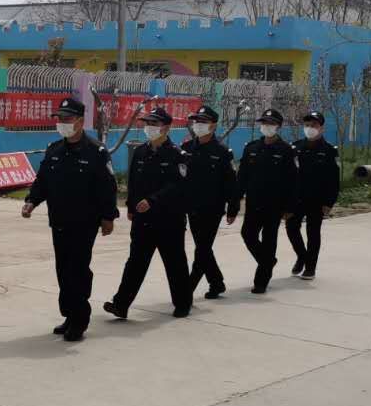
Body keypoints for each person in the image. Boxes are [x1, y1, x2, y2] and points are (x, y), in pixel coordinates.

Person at [22, 97, 119, 341]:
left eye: (67, 118)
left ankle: (79, 320)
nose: (62, 122)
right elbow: (43, 180)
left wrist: (108, 217)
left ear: (80, 121)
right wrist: (32, 201)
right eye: (60, 118)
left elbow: (107, 187)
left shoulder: (96, 151)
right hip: (59, 220)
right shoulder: (54, 149)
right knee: (63, 270)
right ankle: (69, 314)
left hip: (85, 223)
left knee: (78, 270)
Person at [103, 107, 192, 321]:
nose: (149, 127)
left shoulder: (177, 155)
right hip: (143, 220)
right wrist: (131, 206)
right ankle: (121, 304)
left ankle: (182, 303)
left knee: (175, 263)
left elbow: (178, 186)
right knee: (135, 262)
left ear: (166, 128)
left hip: (169, 220)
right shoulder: (141, 152)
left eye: (154, 124)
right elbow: (134, 182)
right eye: (148, 123)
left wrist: (153, 200)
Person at [229, 108, 297, 294]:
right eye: (264, 123)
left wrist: (290, 207)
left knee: (269, 241)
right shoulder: (251, 148)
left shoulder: (286, 150)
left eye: (271, 123)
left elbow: (292, 181)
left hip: (274, 204)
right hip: (253, 202)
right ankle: (268, 262)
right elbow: (242, 177)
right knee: (247, 235)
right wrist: (235, 202)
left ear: (278, 126)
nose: (267, 126)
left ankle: (261, 281)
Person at [181, 103, 237, 300]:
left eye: (203, 121)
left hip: (213, 208)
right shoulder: (186, 148)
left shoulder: (222, 152)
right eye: (196, 120)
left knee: (202, 249)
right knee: (203, 247)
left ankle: (186, 290)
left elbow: (231, 182)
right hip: (191, 207)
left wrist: (233, 207)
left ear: (213, 125)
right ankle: (216, 282)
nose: (198, 124)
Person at [287, 110, 341, 279]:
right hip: (296, 198)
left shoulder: (329, 150)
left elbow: (334, 180)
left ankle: (310, 267)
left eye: (314, 125)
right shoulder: (295, 147)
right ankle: (302, 256)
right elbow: (288, 175)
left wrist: (329, 202)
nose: (310, 128)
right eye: (307, 125)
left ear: (322, 128)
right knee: (291, 228)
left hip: (317, 199)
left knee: (313, 232)